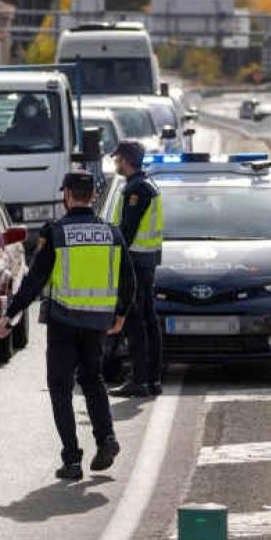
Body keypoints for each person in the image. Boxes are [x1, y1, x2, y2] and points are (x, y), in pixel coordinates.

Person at [0, 171, 134, 480]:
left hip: (64, 322)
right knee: (93, 379)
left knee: (60, 389)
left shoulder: (57, 233)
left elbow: (33, 281)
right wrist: (121, 315)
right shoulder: (112, 233)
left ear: (68, 195)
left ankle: (72, 459)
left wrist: (10, 317)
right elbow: (128, 280)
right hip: (98, 322)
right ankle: (106, 438)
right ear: (94, 196)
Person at [109, 140, 164, 398]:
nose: (115, 163)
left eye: (117, 158)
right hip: (146, 261)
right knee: (148, 321)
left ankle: (139, 379)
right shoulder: (146, 185)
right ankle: (151, 379)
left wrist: (114, 256)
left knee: (135, 322)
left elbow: (127, 230)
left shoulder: (137, 189)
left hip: (135, 262)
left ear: (126, 160)